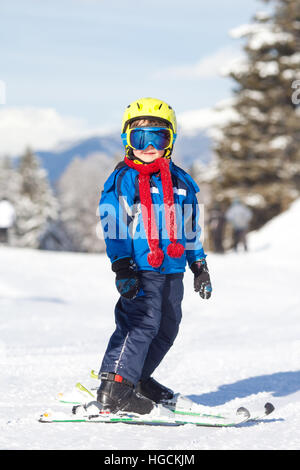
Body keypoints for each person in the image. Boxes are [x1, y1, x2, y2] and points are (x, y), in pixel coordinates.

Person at [98, 97, 212, 415]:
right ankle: (115, 388)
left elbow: (190, 227)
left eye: (158, 137)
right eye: (139, 138)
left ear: (170, 140)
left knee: (167, 327)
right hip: (140, 266)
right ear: (127, 141)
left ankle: (138, 378)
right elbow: (113, 222)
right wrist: (122, 267)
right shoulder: (124, 178)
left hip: (173, 267)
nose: (148, 146)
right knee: (140, 324)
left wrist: (199, 265)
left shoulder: (181, 182)